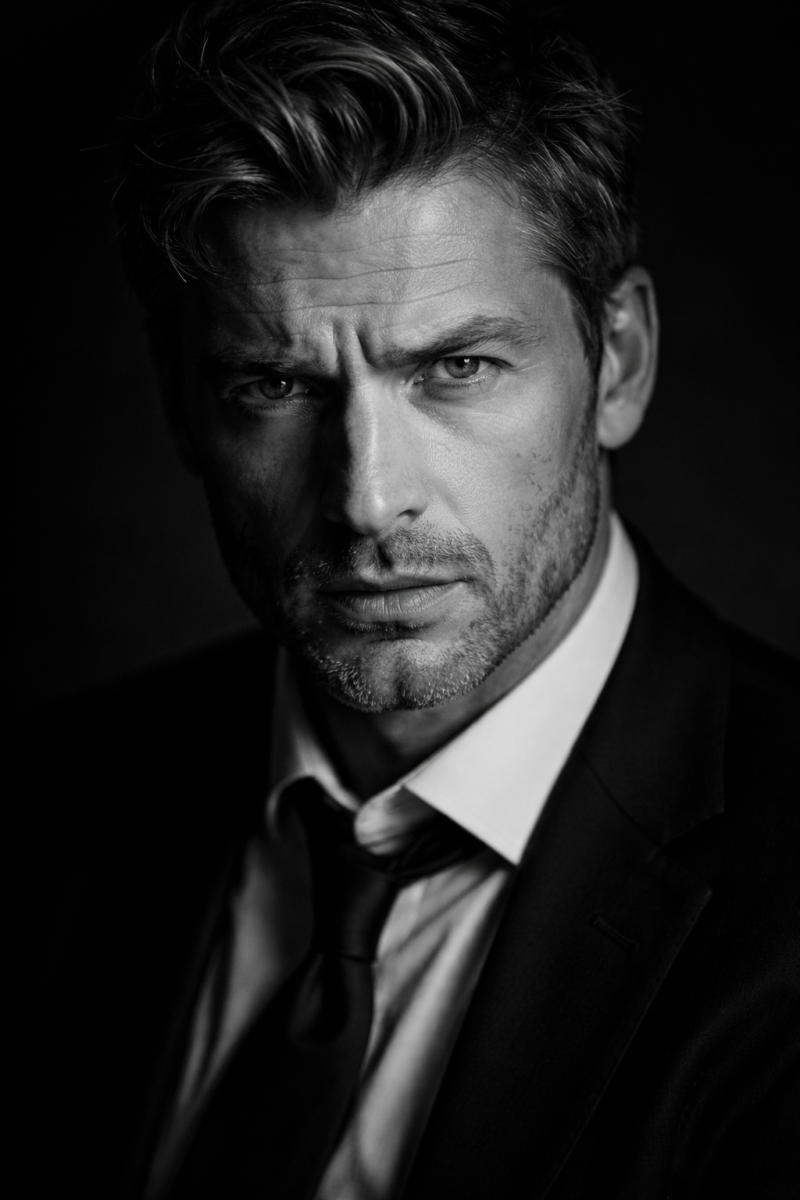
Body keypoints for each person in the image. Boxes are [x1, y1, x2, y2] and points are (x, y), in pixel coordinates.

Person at [24, 1, 798, 1197]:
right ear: (182, 406)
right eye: (274, 384)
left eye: (455, 368)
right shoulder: (52, 815)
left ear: (618, 362)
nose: (367, 501)